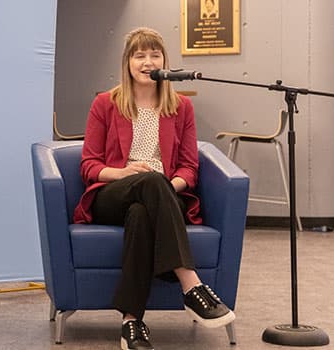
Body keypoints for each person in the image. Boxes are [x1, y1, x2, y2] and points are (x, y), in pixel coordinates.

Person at [75, 27, 234, 350]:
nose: (147, 62)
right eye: (139, 55)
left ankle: (131, 321)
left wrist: (166, 185)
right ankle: (190, 284)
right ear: (128, 62)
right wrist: (122, 173)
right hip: (113, 193)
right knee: (145, 185)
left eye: (154, 55)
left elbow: (189, 168)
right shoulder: (105, 104)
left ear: (165, 61)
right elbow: (89, 165)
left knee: (141, 213)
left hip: (163, 196)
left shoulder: (180, 108)